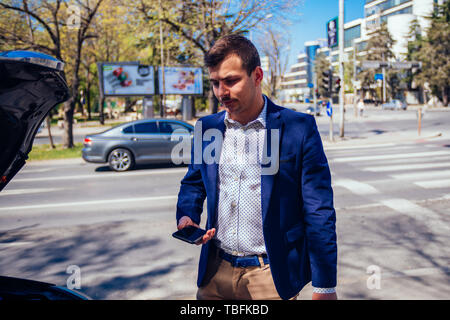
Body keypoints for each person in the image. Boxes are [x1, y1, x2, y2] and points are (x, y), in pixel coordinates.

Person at [176, 34, 337, 300]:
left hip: (269, 277)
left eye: (230, 81)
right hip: (215, 274)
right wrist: (188, 214)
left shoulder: (298, 128)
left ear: (257, 75)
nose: (221, 93)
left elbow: (319, 211)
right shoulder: (208, 128)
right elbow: (194, 182)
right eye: (215, 83)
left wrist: (325, 286)